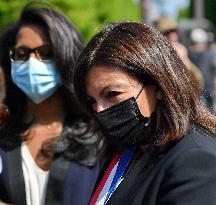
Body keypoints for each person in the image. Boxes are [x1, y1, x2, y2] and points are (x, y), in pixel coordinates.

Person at [73, 22, 216, 205]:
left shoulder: (195, 160)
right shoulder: (131, 149)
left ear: (157, 85)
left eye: (113, 94)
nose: (100, 110)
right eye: (92, 101)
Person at [0, 3, 104, 205]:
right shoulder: (4, 134)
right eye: (21, 54)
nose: (32, 63)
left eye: (46, 53)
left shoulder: (98, 133)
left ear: (66, 56)